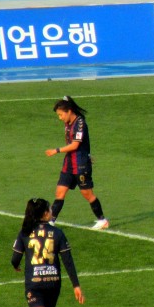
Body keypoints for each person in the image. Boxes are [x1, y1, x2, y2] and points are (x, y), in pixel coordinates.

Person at [11, 197, 85, 307]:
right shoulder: (57, 233)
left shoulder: (25, 232)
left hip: (34, 283)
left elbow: (15, 259)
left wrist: (16, 266)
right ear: (45, 214)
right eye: (50, 209)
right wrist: (76, 285)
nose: (52, 211)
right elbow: (68, 260)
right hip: (53, 282)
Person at [45, 95, 109, 230]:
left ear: (69, 111)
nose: (60, 117)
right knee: (60, 192)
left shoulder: (80, 124)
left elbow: (75, 145)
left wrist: (56, 150)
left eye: (61, 114)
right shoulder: (68, 123)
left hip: (80, 164)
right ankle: (51, 222)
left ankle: (102, 220)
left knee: (87, 194)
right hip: (69, 163)